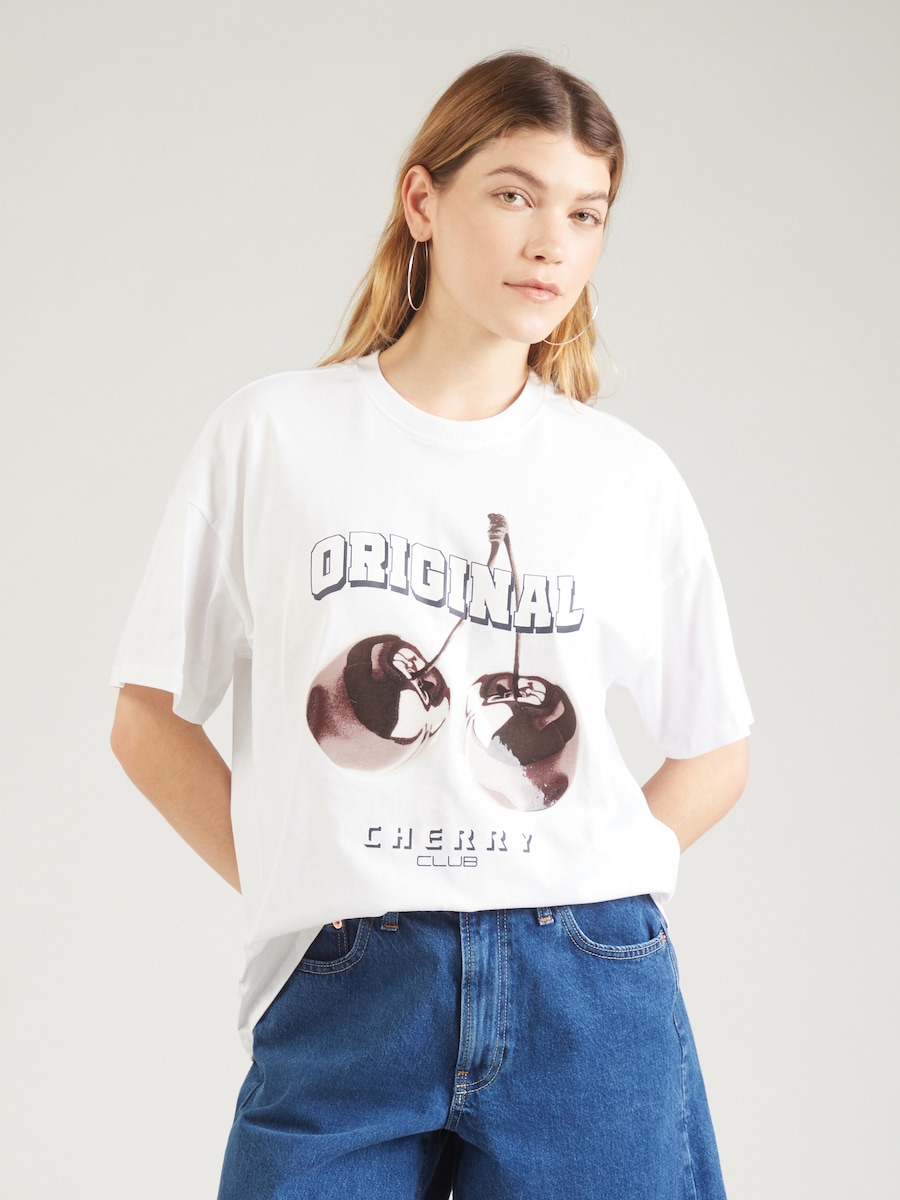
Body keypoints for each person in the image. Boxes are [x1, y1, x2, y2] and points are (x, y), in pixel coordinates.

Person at [110, 50, 752, 1200]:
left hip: (587, 986)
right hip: (353, 983)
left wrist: (601, 873)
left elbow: (717, 748)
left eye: (585, 213)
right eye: (514, 194)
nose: (550, 242)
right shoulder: (275, 436)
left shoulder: (624, 477)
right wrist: (303, 879)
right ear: (423, 200)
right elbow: (145, 718)